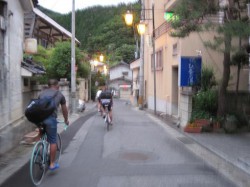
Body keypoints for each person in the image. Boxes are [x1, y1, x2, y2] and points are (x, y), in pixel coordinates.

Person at [38, 79, 69, 171]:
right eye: (58, 85)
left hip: (39, 119)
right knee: (52, 141)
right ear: (56, 85)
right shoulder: (59, 94)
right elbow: (64, 110)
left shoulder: (41, 93)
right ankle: (51, 164)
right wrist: (66, 120)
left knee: (42, 135)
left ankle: (38, 148)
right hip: (50, 120)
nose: (59, 86)